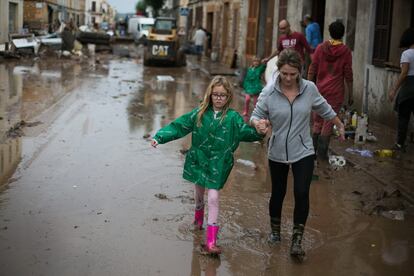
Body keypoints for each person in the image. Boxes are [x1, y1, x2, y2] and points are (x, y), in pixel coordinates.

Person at [151, 76, 263, 255]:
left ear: (228, 97)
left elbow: (246, 132)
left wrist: (260, 132)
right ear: (210, 95)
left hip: (218, 164)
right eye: (216, 94)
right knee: (199, 194)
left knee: (213, 197)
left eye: (223, 95)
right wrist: (160, 137)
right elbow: (180, 125)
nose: (219, 98)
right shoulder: (199, 113)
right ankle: (197, 220)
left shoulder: (233, 118)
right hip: (199, 159)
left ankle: (211, 241)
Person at [250, 49, 345, 258]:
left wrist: (339, 124)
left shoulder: (309, 89)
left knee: (302, 192)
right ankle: (275, 232)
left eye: (293, 74)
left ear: (299, 72)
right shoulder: (269, 92)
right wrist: (259, 124)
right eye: (284, 73)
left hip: (303, 150)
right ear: (279, 71)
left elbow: (324, 108)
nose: (288, 78)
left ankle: (297, 240)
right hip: (277, 151)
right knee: (278, 193)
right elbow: (255, 115)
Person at [307, 21, 353, 160]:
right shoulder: (345, 51)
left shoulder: (321, 48)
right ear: (343, 34)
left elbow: (312, 68)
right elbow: (348, 74)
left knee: (317, 121)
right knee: (328, 121)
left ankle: (311, 154)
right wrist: (351, 93)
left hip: (319, 90)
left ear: (329, 32)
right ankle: (322, 155)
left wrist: (309, 86)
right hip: (336, 93)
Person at [389, 28, 414, 152]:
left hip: (408, 89)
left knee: (403, 118)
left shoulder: (407, 54)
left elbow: (404, 73)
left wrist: (394, 89)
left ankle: (400, 144)